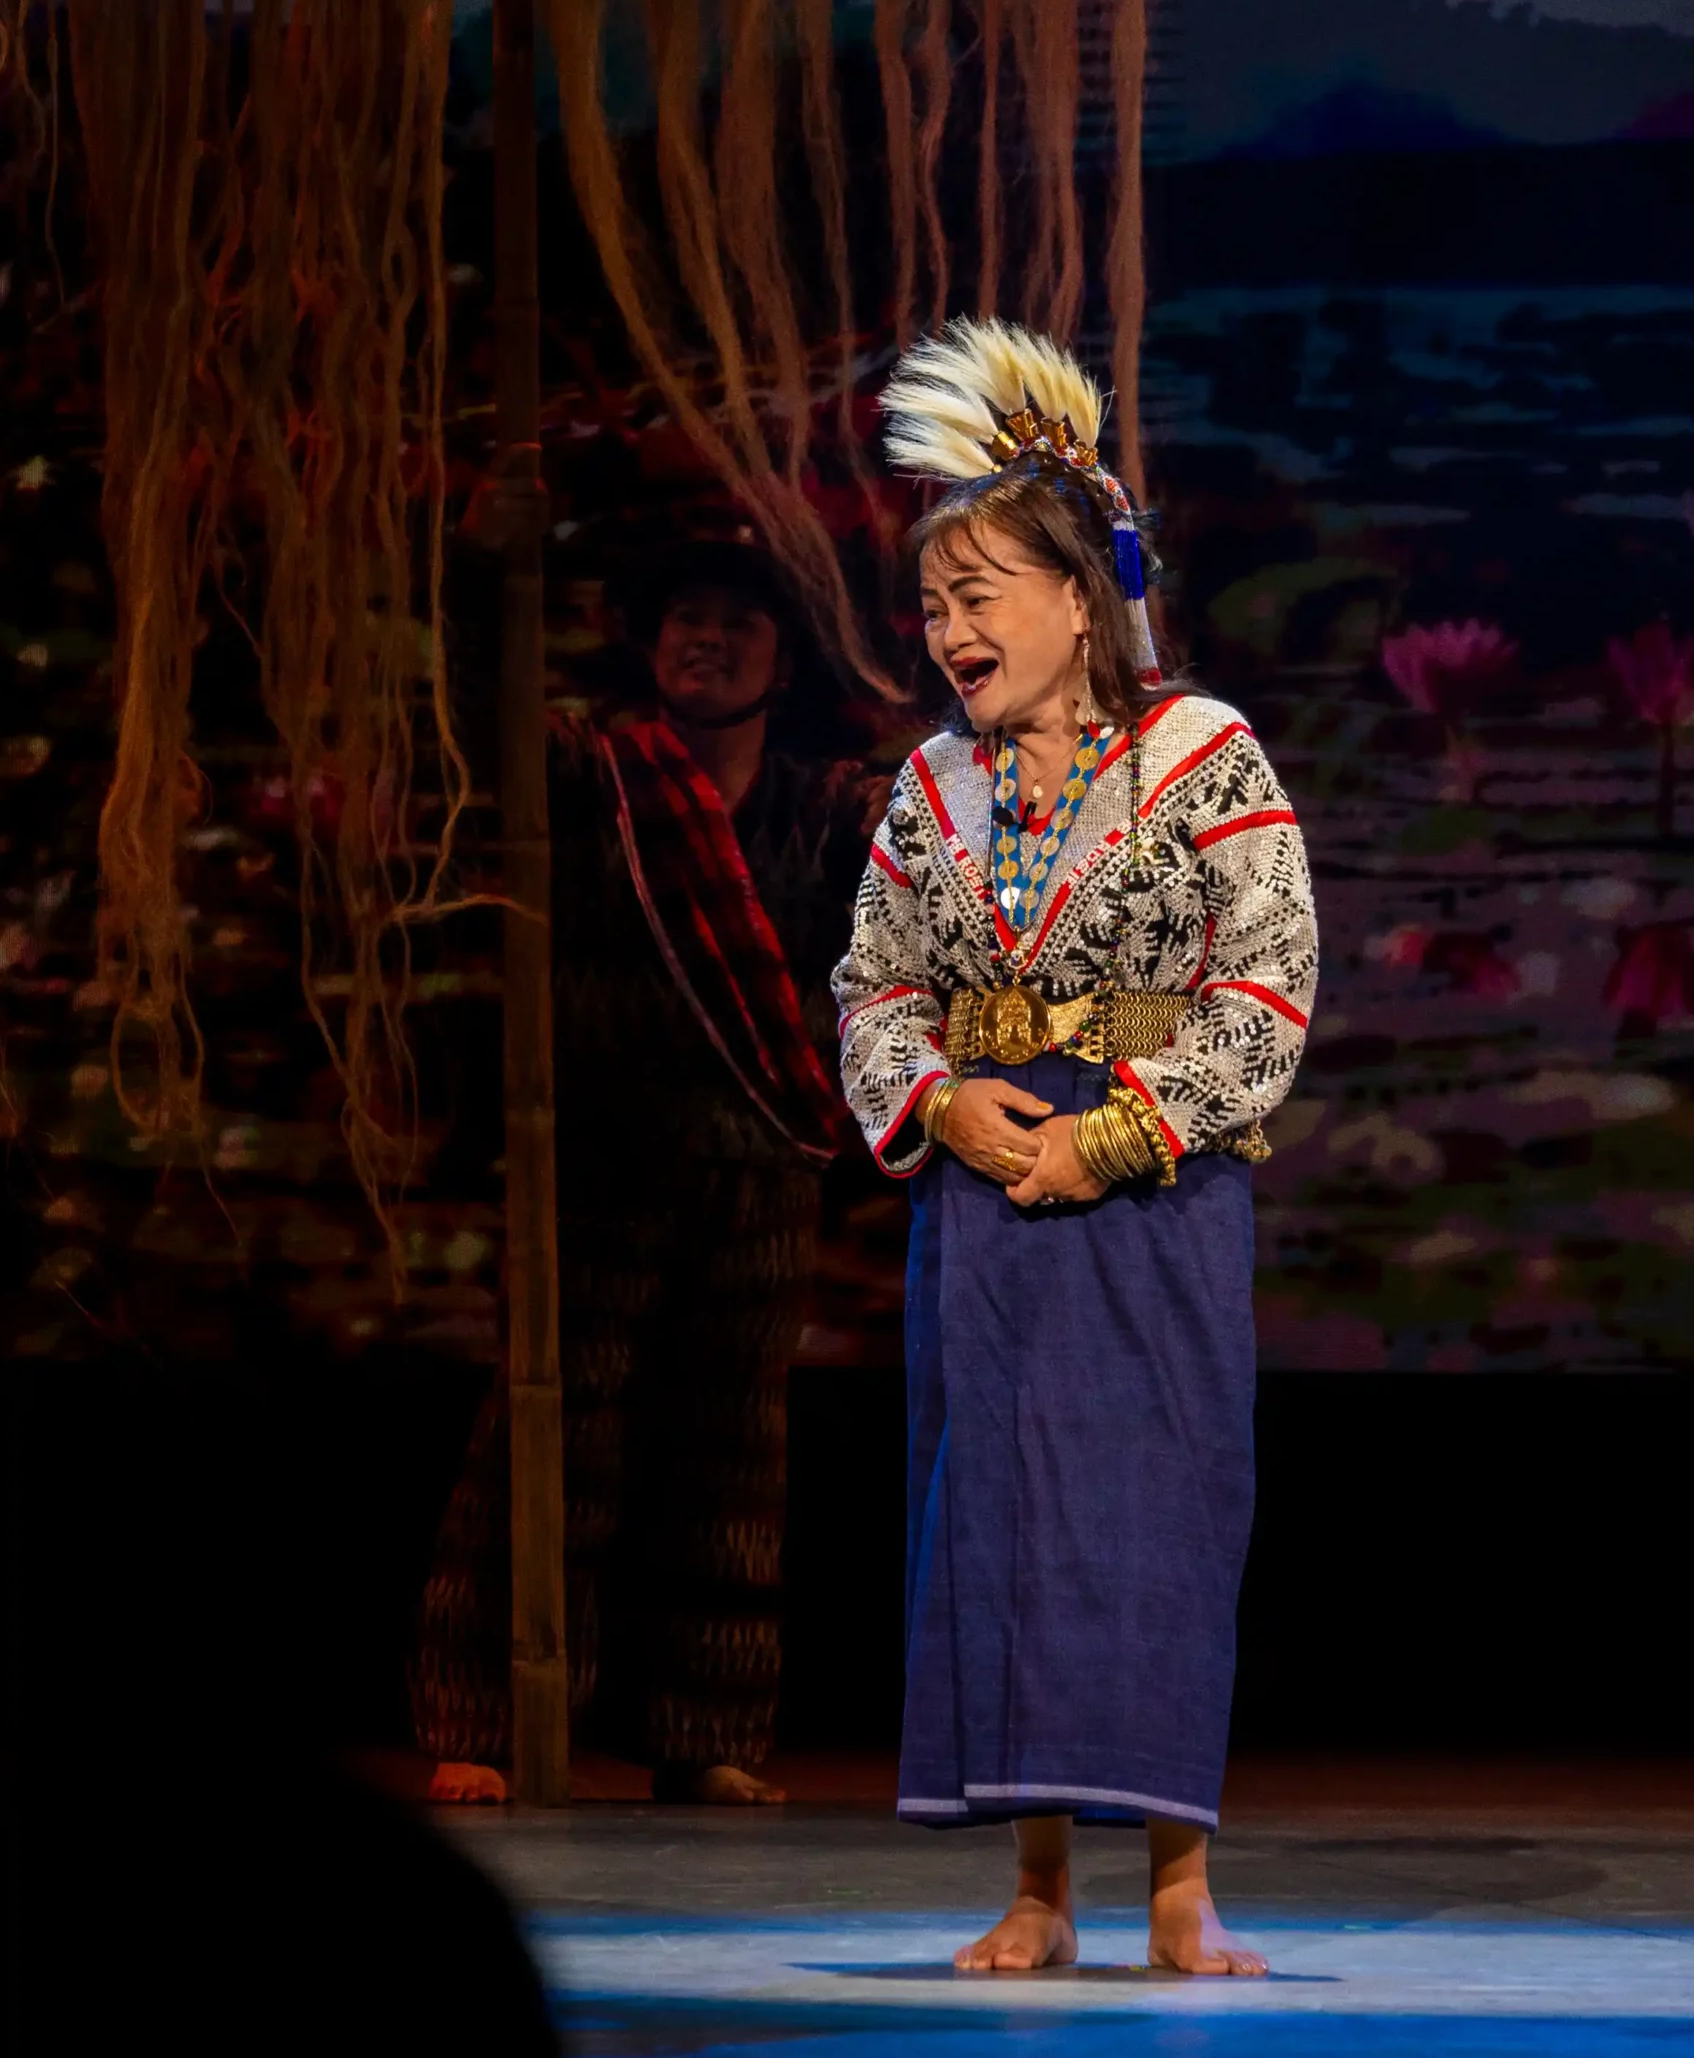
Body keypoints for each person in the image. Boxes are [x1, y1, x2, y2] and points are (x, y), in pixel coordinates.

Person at [832, 320, 1318, 1973]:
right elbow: (873, 989)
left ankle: (1179, 1884)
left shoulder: (1203, 756)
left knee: (1159, 1508)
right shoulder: (933, 788)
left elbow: (1266, 984)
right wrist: (942, 1103)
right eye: (932, 606)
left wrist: (1113, 1141)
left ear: (1078, 598)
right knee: (1004, 1520)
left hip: (1151, 1187)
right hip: (984, 1193)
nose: (948, 631)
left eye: (977, 597)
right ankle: (1038, 1887)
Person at [414, 531, 876, 1806]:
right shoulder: (587, 776)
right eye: (683, 616)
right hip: (595, 1165)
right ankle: (484, 1720)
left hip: (758, 1172)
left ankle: (701, 1729)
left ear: (782, 661)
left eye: (736, 621)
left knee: (729, 1457)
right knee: (550, 1434)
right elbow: (473, 699)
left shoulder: (829, 807)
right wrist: (490, 565)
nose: (704, 637)